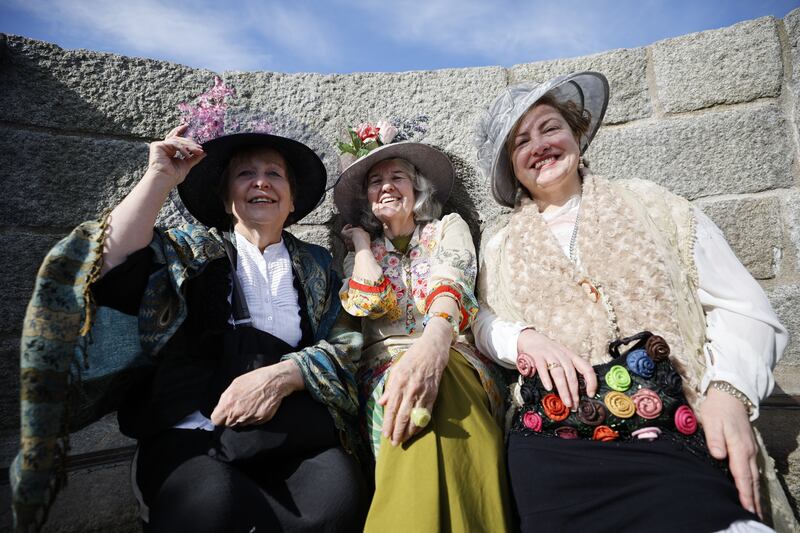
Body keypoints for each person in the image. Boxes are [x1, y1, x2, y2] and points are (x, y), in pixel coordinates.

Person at [472, 72, 797, 532]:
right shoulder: (499, 245)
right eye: (522, 141)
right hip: (555, 441)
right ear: (512, 166)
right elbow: (482, 319)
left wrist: (727, 394)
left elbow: (741, 306)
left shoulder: (655, 206)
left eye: (550, 128)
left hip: (671, 421)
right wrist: (522, 337)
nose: (540, 145)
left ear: (576, 133)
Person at [21, 121, 367, 532]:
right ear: (225, 198)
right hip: (195, 436)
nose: (261, 182)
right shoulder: (185, 252)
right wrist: (159, 178)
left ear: (293, 201)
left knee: (341, 495)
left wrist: (285, 374)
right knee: (211, 504)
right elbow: (108, 262)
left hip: (286, 431)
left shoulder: (317, 265)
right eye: (245, 174)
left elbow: (345, 343)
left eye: (274, 174)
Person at [333, 124, 511, 532]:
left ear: (417, 189)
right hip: (383, 367)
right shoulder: (363, 251)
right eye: (375, 181)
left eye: (397, 177)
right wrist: (361, 245)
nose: (386, 186)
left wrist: (433, 346)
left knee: (440, 386)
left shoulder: (446, 227)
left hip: (452, 351)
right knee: (403, 403)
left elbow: (452, 282)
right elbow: (368, 300)